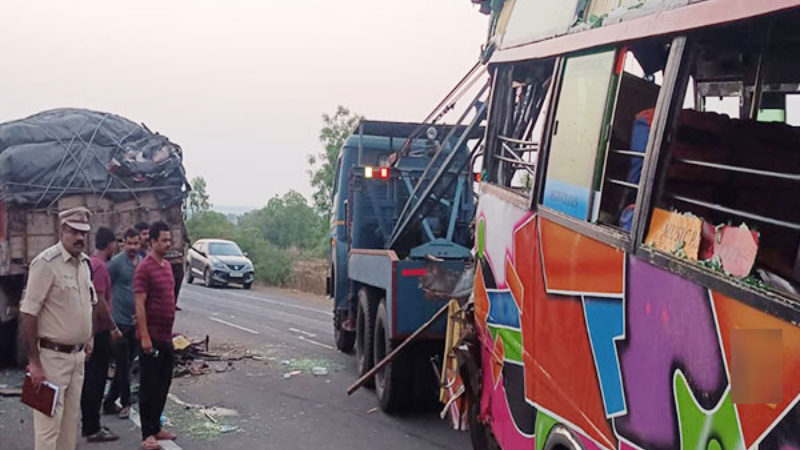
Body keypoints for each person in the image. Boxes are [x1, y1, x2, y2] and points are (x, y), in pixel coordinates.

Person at [19, 207, 96, 450]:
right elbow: (28, 312)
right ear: (61, 231)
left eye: (83, 232)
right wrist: (34, 363)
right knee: (48, 428)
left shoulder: (84, 264)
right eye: (74, 231)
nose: (79, 237)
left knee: (69, 427)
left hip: (77, 358)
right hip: (51, 360)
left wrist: (89, 336)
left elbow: (88, 303)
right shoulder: (45, 263)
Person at [135, 221, 178, 450]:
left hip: (166, 336)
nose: (168, 244)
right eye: (163, 240)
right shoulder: (144, 268)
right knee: (149, 385)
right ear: (152, 242)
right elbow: (139, 304)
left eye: (169, 240)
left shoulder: (167, 266)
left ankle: (156, 426)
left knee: (164, 383)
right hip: (150, 337)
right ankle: (147, 433)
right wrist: (144, 337)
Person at [80, 227, 122, 442]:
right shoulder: (101, 267)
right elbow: (99, 302)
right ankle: (92, 427)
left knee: (90, 380)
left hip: (90, 331)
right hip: (99, 331)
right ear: (111, 245)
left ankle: (89, 423)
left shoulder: (89, 263)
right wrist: (112, 328)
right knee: (95, 381)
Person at [103, 228, 141, 419]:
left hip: (135, 323)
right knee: (123, 365)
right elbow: (103, 288)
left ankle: (109, 402)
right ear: (123, 243)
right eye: (129, 243)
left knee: (124, 366)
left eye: (136, 243)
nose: (133, 247)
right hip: (119, 324)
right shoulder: (116, 264)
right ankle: (125, 403)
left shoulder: (141, 263)